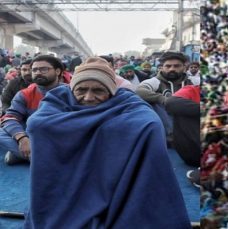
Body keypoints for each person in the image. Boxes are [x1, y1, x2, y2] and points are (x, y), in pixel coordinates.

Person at [24, 57, 191, 228]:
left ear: (112, 91)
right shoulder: (59, 97)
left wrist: (104, 129)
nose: (88, 97)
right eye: (81, 90)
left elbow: (150, 123)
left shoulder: (126, 99)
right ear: (72, 89)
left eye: (98, 90)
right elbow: (38, 123)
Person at [1, 55, 64, 165]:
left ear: (57, 71)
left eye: (44, 69)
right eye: (34, 70)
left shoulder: (70, 92)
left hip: (60, 139)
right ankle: (34, 155)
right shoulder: (25, 94)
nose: (38, 72)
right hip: (32, 137)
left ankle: (24, 155)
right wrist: (22, 138)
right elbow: (9, 117)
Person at [136, 51, 195, 139]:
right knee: (154, 103)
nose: (172, 69)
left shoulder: (193, 81)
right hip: (167, 124)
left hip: (188, 120)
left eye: (176, 66)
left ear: (184, 67)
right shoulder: (156, 81)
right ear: (162, 67)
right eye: (168, 66)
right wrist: (164, 99)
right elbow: (139, 91)